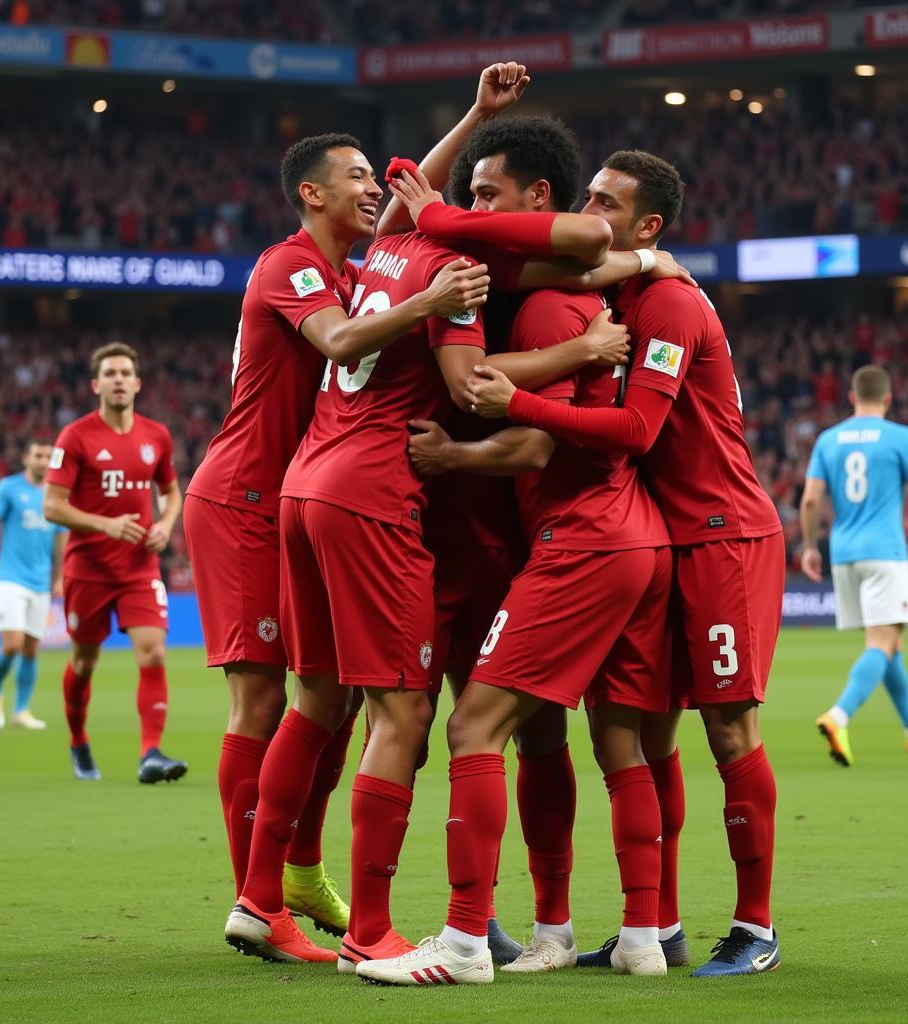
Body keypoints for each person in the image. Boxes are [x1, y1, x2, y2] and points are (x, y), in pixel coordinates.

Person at [456, 151, 785, 979]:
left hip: (719, 533)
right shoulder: (623, 287)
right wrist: (634, 260)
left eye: (608, 201)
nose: (588, 208)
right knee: (641, 731)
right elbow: (551, 256)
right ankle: (658, 926)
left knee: (729, 728)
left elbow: (640, 430)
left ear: (648, 224)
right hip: (657, 536)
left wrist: (517, 402)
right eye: (588, 196)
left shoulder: (668, 303)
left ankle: (756, 927)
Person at [185, 132, 488, 950]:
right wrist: (430, 303)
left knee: (329, 695)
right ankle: (259, 901)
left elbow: (407, 205)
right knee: (266, 700)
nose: (371, 188)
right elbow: (341, 342)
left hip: (296, 487)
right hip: (245, 495)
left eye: (372, 180)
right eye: (352, 177)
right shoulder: (290, 265)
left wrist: (472, 112)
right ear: (311, 195)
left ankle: (293, 878)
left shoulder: (358, 273)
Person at [44, 342, 187, 785]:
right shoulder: (75, 437)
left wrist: (164, 524)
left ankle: (151, 753)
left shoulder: (156, 436)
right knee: (84, 662)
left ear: (138, 383)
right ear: (96, 384)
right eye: (110, 373)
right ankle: (78, 740)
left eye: (126, 372)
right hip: (87, 568)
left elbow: (171, 491)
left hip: (139, 567)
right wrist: (104, 526)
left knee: (154, 650)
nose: (119, 379)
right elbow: (52, 505)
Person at [800, 364, 908, 765]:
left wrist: (810, 547)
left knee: (889, 645)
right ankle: (839, 715)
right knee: (882, 643)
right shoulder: (899, 437)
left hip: (844, 555)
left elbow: (812, 499)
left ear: (852, 397)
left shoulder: (828, 440)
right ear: (887, 398)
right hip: (885, 552)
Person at [0, 439, 64, 730]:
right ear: (26, 458)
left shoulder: (56, 495)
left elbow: (61, 544)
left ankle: (21, 710)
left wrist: (59, 578)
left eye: (48, 456)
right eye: (38, 455)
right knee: (12, 645)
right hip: (10, 579)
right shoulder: (9, 488)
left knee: (31, 649)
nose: (43, 461)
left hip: (40, 583)